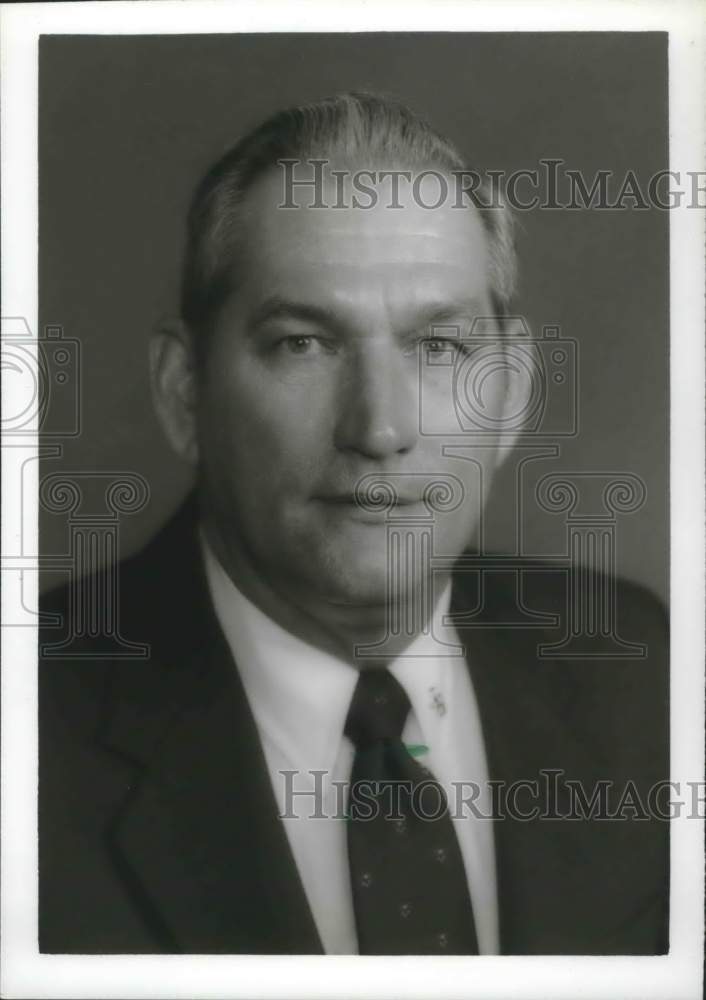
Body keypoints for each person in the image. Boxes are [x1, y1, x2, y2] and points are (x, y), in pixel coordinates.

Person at [39, 92, 668, 955]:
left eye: (439, 347)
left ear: (513, 392)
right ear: (185, 391)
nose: (378, 428)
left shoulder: (641, 675)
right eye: (305, 342)